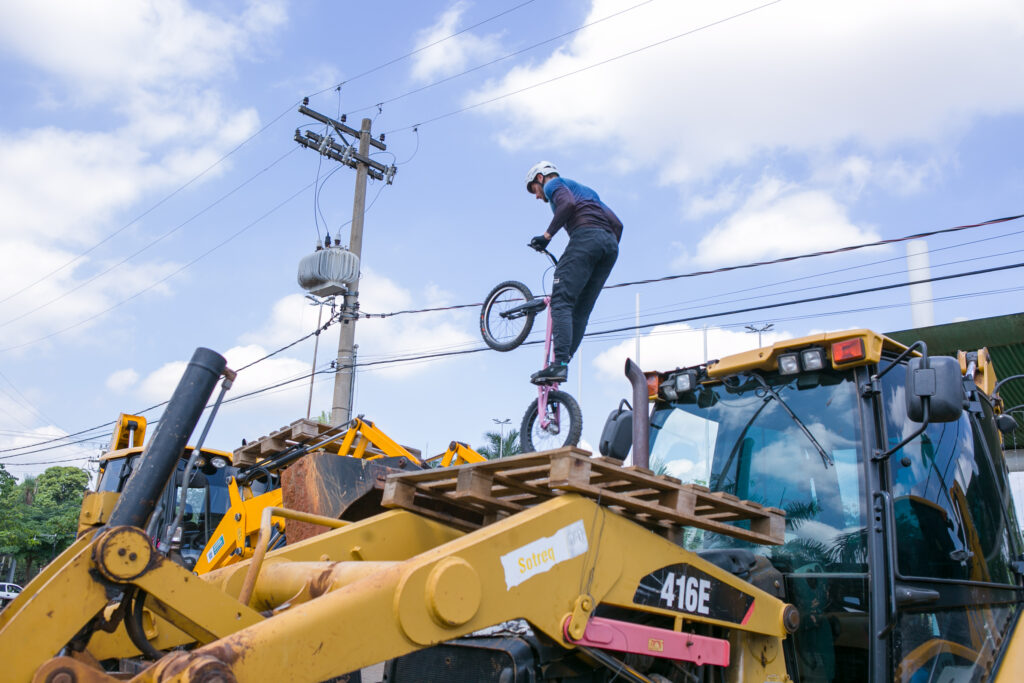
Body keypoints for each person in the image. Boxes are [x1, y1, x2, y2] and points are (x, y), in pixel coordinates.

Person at [524, 161, 622, 384]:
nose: (538, 196)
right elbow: (617, 224)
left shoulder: (553, 184)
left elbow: (566, 204)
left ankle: (558, 365)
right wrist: (600, 248)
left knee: (561, 301)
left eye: (534, 190)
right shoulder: (588, 192)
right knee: (581, 311)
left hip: (586, 238)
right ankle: (563, 362)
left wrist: (547, 236)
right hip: (609, 248)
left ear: (540, 178)